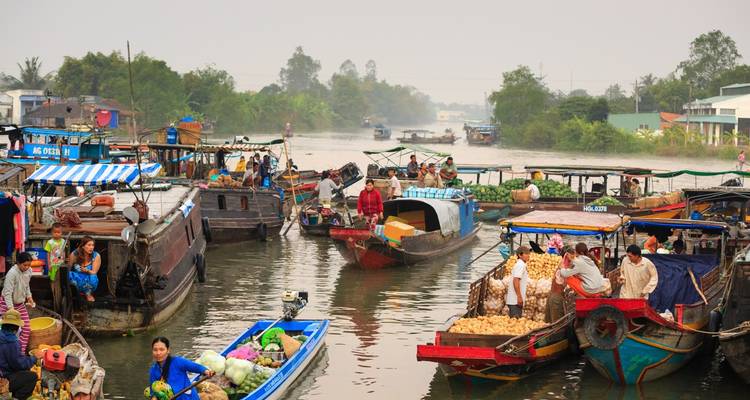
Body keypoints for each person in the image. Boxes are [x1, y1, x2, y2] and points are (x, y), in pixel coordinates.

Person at [149, 337, 214, 400]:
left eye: (161, 349)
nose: (158, 353)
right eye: (155, 350)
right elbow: (154, 392)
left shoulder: (177, 361)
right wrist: (154, 397)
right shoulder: (153, 371)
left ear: (168, 350)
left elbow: (195, 367)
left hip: (188, 398)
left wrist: (206, 371)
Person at [1, 252, 35, 354]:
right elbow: (7, 293)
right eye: (25, 265)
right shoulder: (12, 273)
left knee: (26, 329)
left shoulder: (29, 271)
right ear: (18, 263)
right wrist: (11, 309)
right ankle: (4, 353)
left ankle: (19, 353)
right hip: (6, 304)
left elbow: (26, 285)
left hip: (20, 304)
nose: (27, 267)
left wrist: (29, 296)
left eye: (29, 265)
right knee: (6, 331)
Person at [0, 309, 38, 400]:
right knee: (32, 377)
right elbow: (19, 364)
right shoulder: (12, 343)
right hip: (3, 377)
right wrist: (34, 358)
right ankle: (16, 398)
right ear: (16, 328)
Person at [68, 236, 101, 302]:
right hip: (77, 279)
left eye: (93, 245)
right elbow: (68, 268)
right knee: (68, 274)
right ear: (83, 246)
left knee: (93, 277)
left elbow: (94, 272)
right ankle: (74, 292)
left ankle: (88, 294)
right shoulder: (75, 254)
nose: (91, 247)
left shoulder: (96, 256)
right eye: (89, 245)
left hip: (88, 280)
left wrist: (87, 270)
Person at [45, 222, 66, 311]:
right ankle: (54, 298)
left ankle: (60, 297)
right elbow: (48, 254)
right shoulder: (50, 242)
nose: (57, 234)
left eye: (59, 232)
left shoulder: (63, 241)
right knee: (53, 282)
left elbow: (64, 251)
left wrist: (64, 260)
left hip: (61, 265)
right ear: (52, 232)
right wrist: (49, 264)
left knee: (61, 282)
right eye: (55, 232)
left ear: (61, 233)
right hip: (53, 265)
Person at [546, 246, 569, 323]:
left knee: (550, 324)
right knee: (557, 325)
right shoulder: (564, 268)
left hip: (552, 296)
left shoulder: (561, 264)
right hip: (556, 298)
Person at [506, 246, 530, 318]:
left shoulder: (521, 264)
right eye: (526, 254)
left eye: (529, 253)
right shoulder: (520, 265)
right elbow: (516, 280)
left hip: (515, 300)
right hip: (515, 301)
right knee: (515, 323)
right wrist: (519, 297)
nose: (528, 255)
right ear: (520, 255)